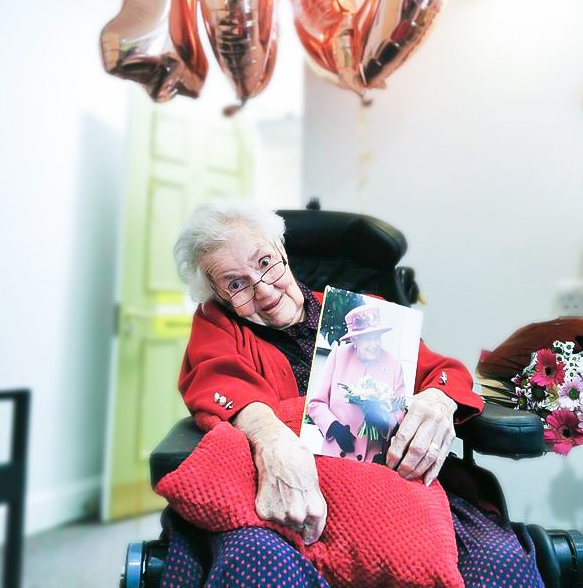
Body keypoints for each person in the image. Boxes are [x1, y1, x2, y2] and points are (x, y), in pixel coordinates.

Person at [165, 201, 545, 588]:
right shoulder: (219, 325)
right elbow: (219, 383)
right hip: (290, 494)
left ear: (282, 250)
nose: (263, 291)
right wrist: (272, 437)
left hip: (399, 485)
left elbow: (441, 372)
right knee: (259, 564)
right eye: (235, 283)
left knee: (496, 563)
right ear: (215, 293)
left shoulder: (365, 310)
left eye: (265, 262)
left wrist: (437, 402)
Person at [308, 306, 406, 463]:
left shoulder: (393, 364)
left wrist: (383, 423)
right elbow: (316, 404)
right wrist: (334, 427)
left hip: (372, 460)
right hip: (334, 454)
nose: (374, 344)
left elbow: (399, 411)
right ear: (354, 339)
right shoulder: (338, 356)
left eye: (377, 338)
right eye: (368, 339)